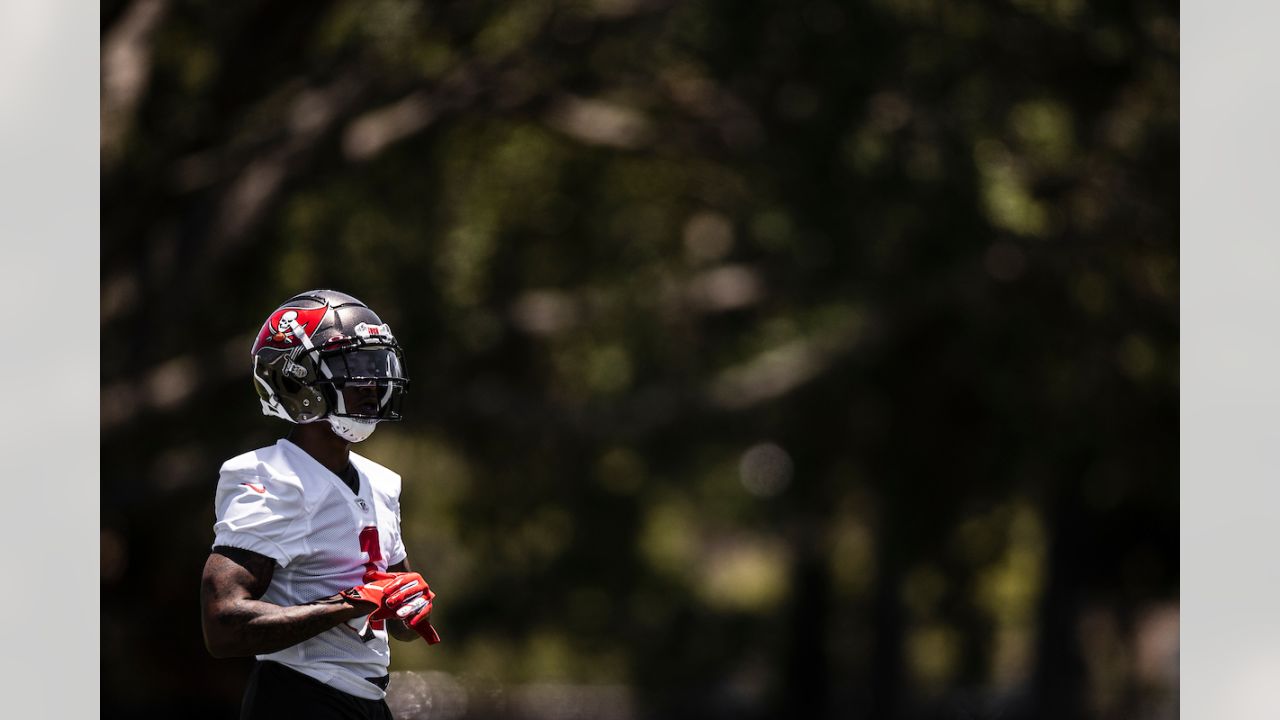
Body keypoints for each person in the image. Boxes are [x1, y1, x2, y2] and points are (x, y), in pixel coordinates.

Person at [200, 289, 439, 720]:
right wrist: (352, 604)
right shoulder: (272, 477)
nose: (374, 383)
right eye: (356, 368)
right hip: (299, 696)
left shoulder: (380, 482)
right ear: (296, 380)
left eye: (377, 365)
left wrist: (408, 605)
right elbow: (223, 624)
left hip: (367, 700)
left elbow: (389, 616)